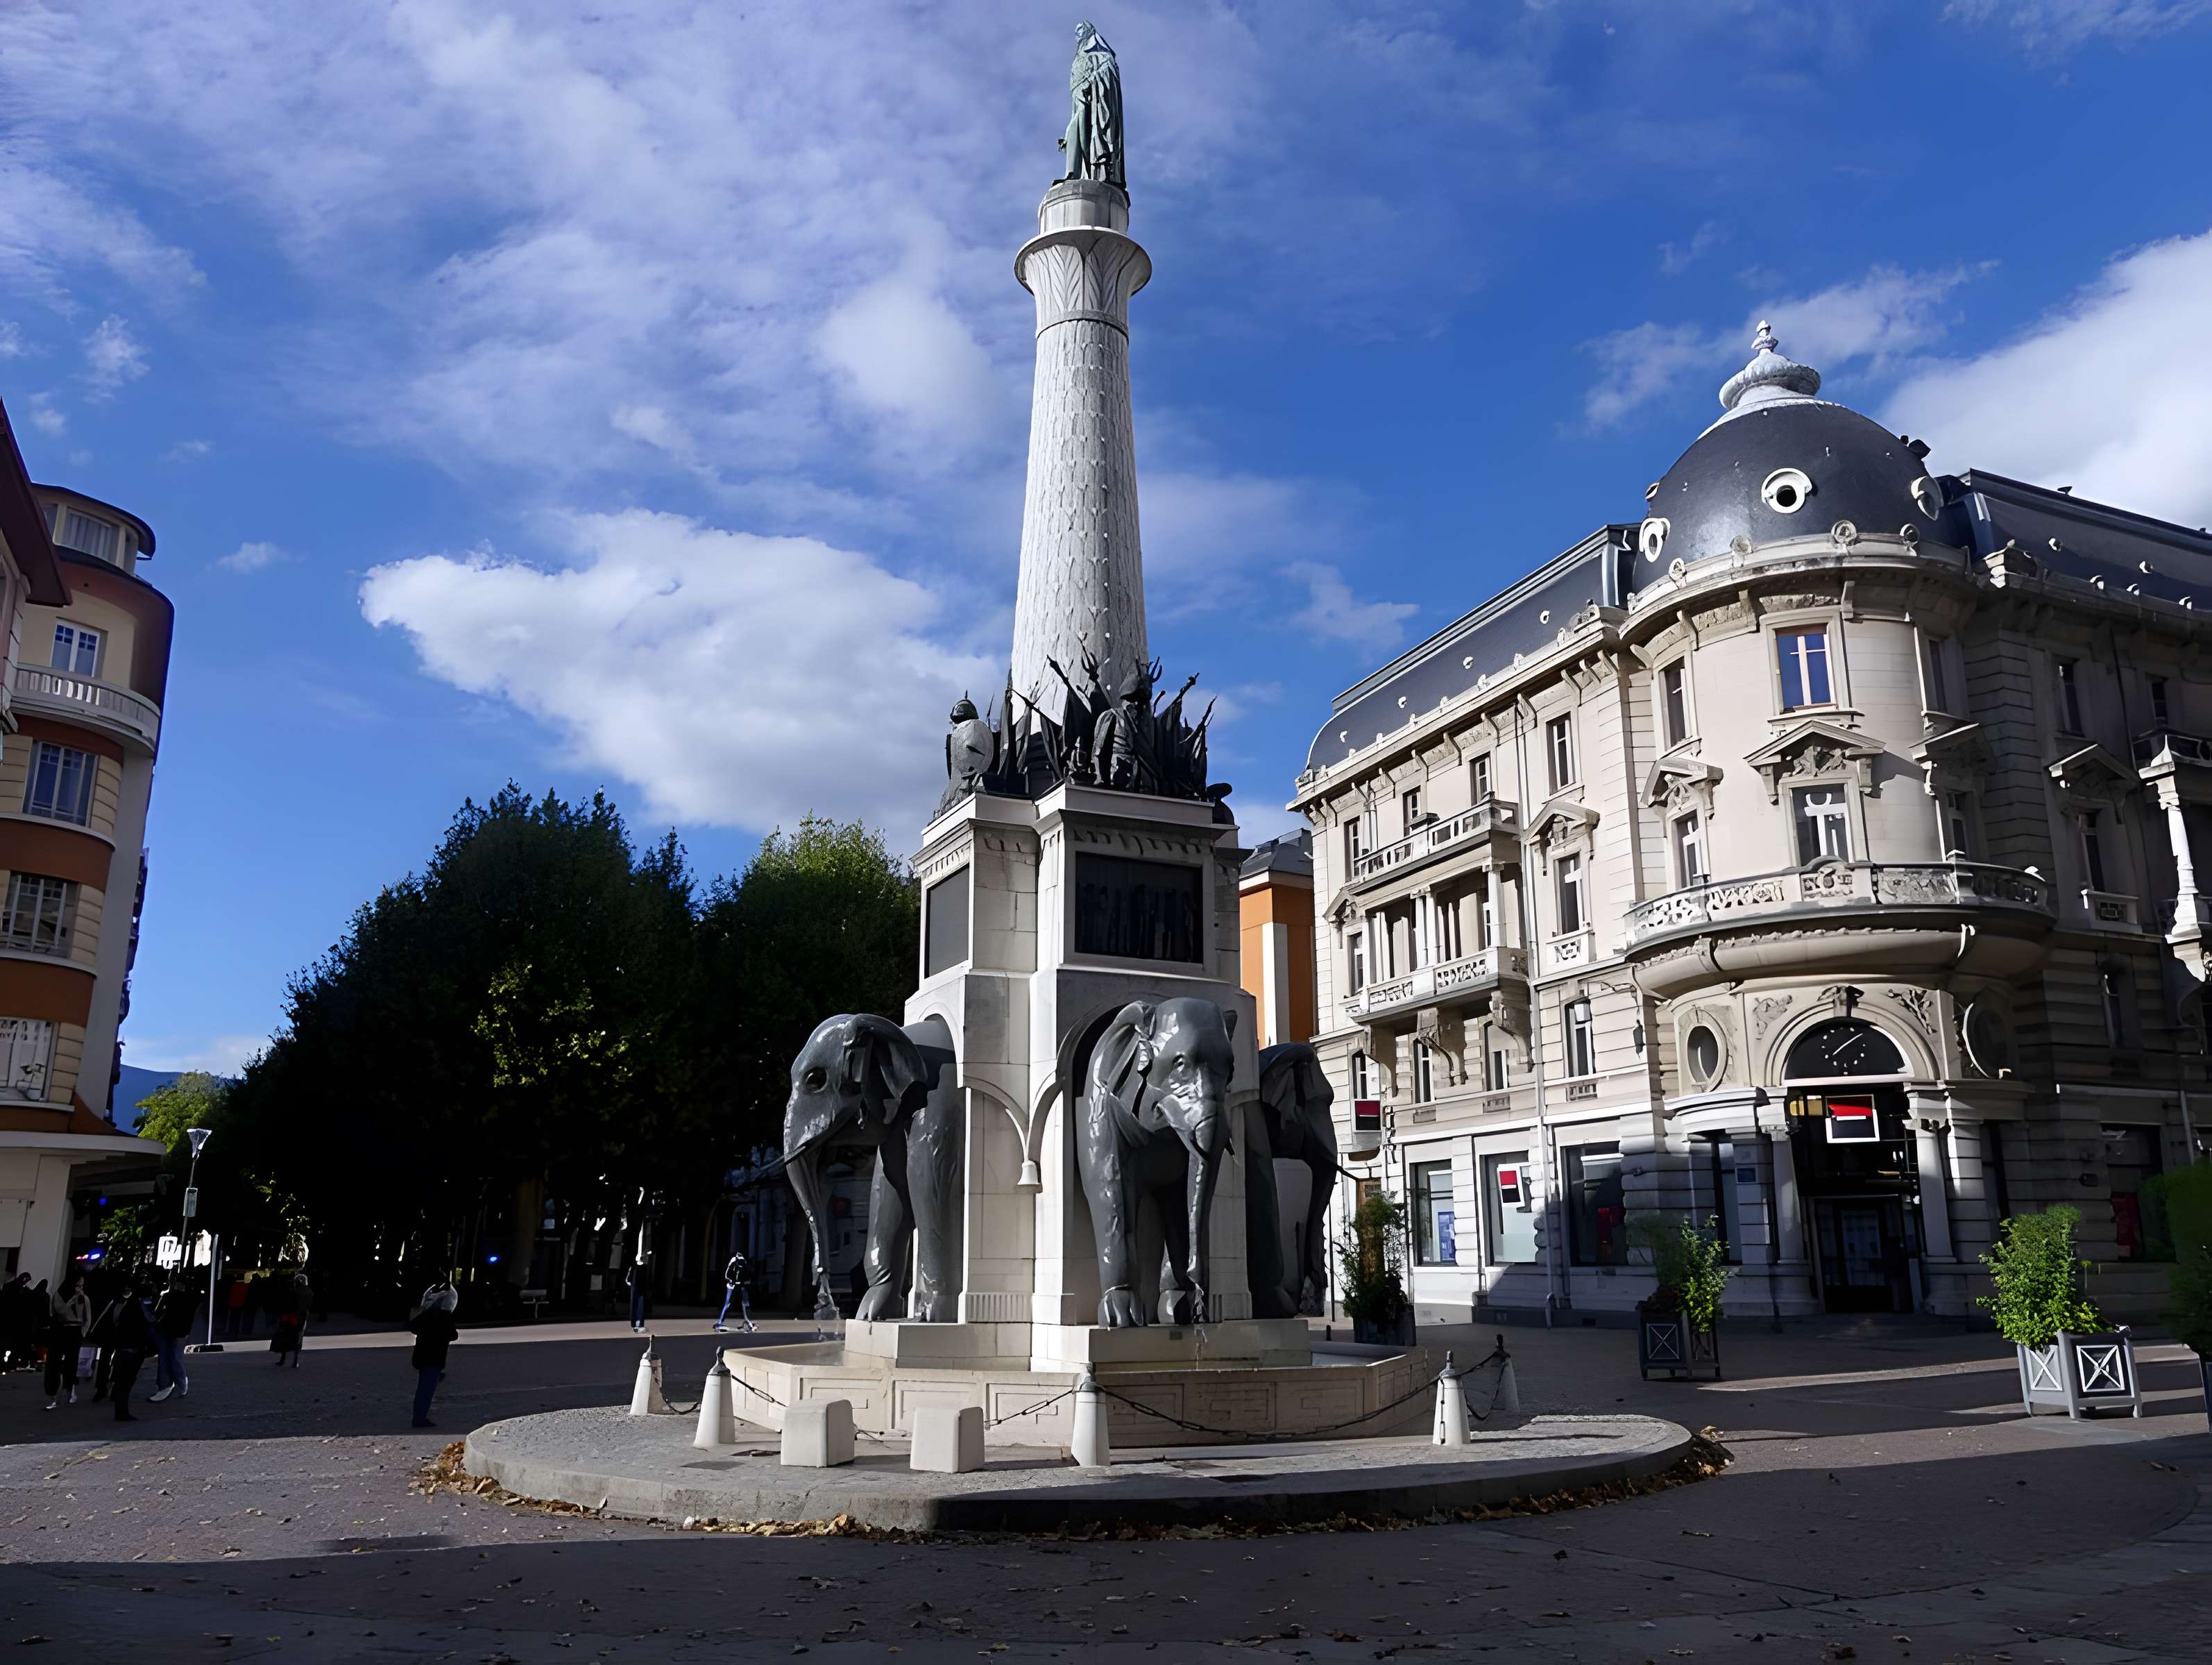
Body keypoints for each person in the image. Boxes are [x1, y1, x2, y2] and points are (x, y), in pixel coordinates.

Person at [408, 1281, 460, 1428]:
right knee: (426, 1390)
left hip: (422, 1357)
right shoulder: (445, 1317)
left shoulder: (426, 1316)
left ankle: (419, 1416)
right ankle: (420, 1419)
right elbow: (453, 1335)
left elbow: (414, 1327)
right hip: (434, 1358)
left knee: (424, 1387)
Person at [103, 1277, 154, 1421]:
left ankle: (121, 1409)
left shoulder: (130, 1305)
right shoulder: (138, 1307)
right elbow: (144, 1326)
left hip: (126, 1347)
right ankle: (121, 1411)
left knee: (124, 1381)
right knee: (126, 1381)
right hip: (131, 1348)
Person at [44, 1272, 90, 1410]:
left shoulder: (84, 1298)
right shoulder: (59, 1295)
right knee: (54, 1362)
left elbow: (87, 1318)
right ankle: (52, 1392)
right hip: (60, 1331)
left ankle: (69, 1388)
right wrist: (70, 1302)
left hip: (75, 1332)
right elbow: (60, 1312)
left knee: (72, 1362)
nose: (79, 1288)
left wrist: (82, 1333)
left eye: (81, 1285)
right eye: (78, 1285)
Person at [150, 1277, 196, 1402]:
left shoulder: (168, 1296)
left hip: (166, 1329)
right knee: (176, 1358)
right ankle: (180, 1384)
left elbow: (157, 1312)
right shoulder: (191, 1297)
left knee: (166, 1359)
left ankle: (166, 1386)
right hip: (179, 1332)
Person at [713, 1250, 756, 1334]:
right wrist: (731, 1281)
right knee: (727, 1304)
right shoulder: (733, 1262)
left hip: (740, 1284)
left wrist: (745, 1282)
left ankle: (748, 1321)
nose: (740, 1266)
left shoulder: (745, 1265)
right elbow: (726, 1275)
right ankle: (719, 1323)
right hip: (731, 1285)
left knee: (745, 1303)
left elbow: (748, 1277)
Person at [270, 1270, 306, 1367]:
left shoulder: (286, 1293)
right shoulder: (297, 1293)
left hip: (287, 1318)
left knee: (285, 1338)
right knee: (295, 1340)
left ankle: (284, 1359)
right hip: (293, 1318)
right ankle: (294, 1361)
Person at [625, 1256, 650, 1333]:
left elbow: (628, 1281)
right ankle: (637, 1324)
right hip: (638, 1281)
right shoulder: (640, 1267)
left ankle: (636, 1324)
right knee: (638, 1302)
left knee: (637, 1302)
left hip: (637, 1281)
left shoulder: (637, 1267)